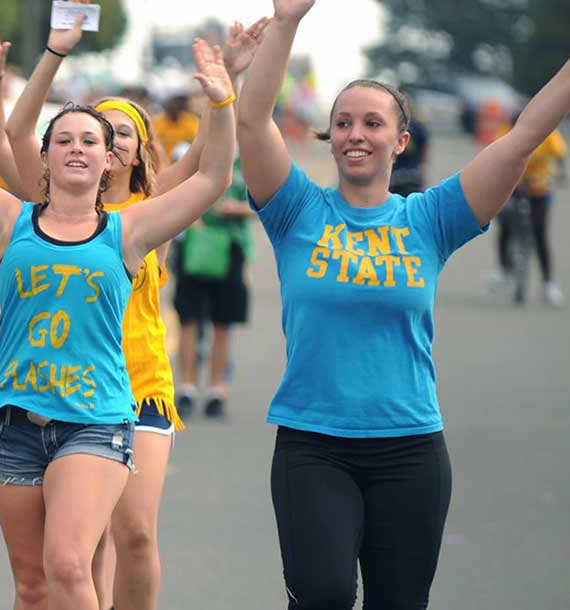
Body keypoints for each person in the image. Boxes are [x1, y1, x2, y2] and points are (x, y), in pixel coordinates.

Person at [236, 1, 570, 607]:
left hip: (410, 449)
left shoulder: (431, 219)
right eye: (342, 123)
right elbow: (253, 121)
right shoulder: (296, 211)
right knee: (324, 592)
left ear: (402, 140)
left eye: (371, 123)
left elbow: (522, 140)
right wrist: (285, 24)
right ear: (328, 135)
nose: (355, 135)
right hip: (313, 444)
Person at [0, 10, 265, 609]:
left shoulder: (148, 212)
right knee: (73, 558)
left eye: (119, 133)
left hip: (138, 385)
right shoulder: (47, 205)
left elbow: (213, 167)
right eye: (95, 130)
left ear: (139, 150)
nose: (107, 141)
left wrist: (228, 89)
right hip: (61, 386)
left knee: (134, 532)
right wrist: (53, 55)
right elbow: (10, 139)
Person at [172, 159, 254, 419]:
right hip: (194, 246)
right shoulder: (194, 154)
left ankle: (216, 390)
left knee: (223, 322)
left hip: (231, 248)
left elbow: (262, 203)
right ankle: (186, 387)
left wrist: (237, 208)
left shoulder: (247, 163)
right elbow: (173, 192)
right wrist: (191, 217)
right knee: (189, 320)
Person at [491, 117, 565, 306]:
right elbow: (494, 154)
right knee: (505, 225)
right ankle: (504, 269)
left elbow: (560, 155)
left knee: (540, 233)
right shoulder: (508, 131)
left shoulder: (547, 133)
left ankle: (548, 284)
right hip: (514, 188)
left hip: (540, 188)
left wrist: (561, 174)